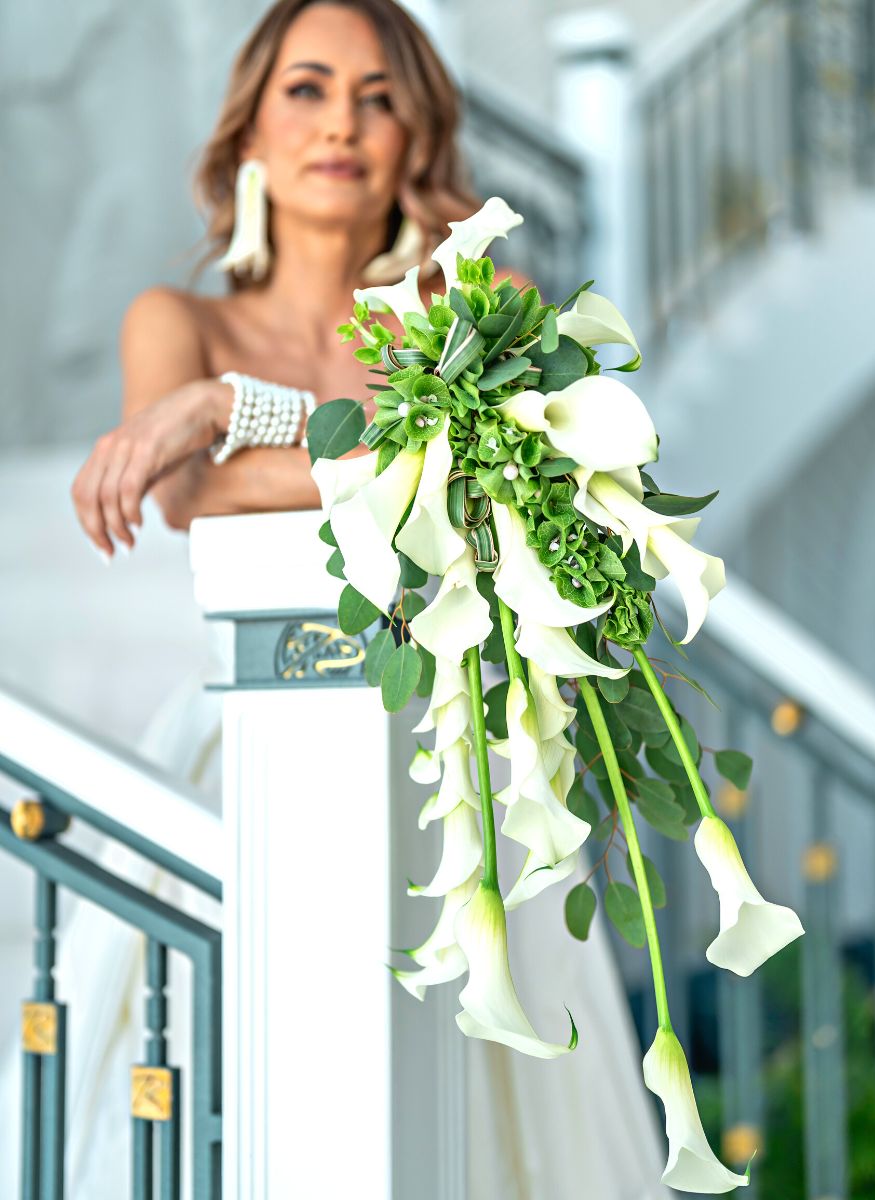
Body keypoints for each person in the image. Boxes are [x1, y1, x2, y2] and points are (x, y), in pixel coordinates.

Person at [63, 2, 668, 1197]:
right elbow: (190, 499)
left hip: (466, 770)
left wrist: (237, 413)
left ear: (417, 136)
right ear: (249, 126)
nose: (341, 121)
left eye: (379, 95)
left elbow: (518, 475)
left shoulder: (479, 299)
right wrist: (370, 440)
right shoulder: (175, 321)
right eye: (307, 87)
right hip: (254, 746)